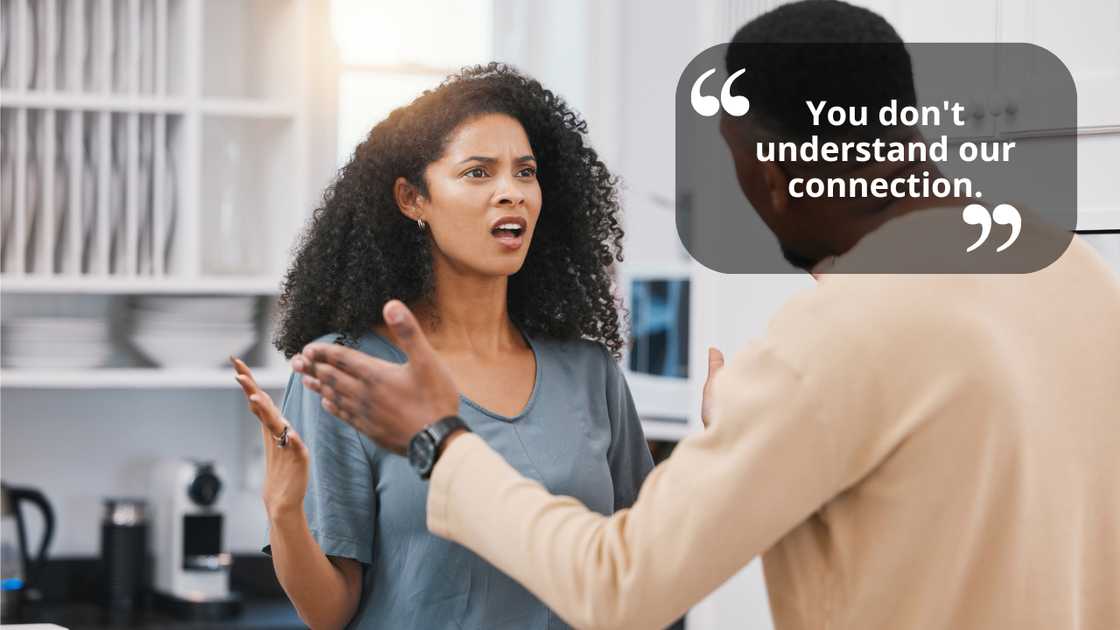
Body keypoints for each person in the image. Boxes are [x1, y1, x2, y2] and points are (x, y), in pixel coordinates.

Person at [288, 2, 1120, 630]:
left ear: (775, 173)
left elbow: (620, 587)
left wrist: (439, 441)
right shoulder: (1071, 270)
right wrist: (759, 436)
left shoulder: (830, 341)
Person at [231, 64, 658, 629]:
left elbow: (643, 570)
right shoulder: (349, 371)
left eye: (525, 173)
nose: (511, 192)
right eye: (478, 172)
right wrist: (284, 512)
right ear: (413, 199)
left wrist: (726, 442)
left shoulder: (589, 373)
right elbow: (329, 612)